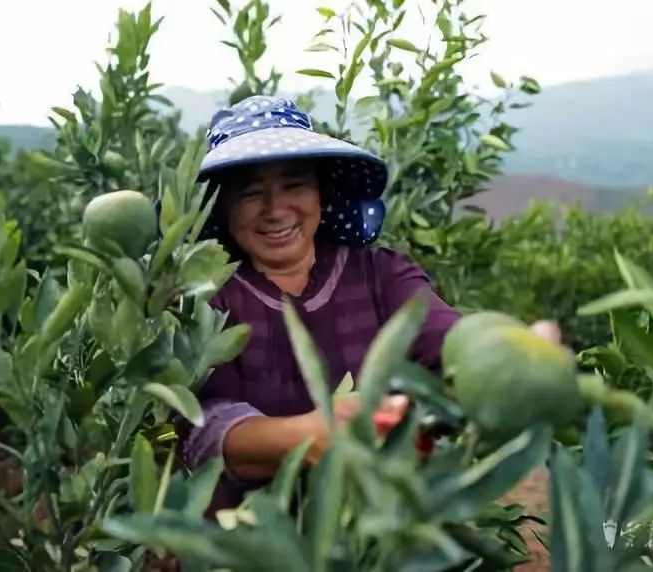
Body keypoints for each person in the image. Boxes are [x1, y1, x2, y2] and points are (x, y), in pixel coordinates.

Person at [174, 95, 559, 517]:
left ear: (322, 192)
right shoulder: (211, 297)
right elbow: (204, 424)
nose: (275, 208)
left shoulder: (379, 274)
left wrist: (511, 351)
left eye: (293, 184)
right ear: (222, 208)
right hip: (253, 537)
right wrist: (306, 436)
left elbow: (447, 339)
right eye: (251, 193)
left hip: (383, 523)